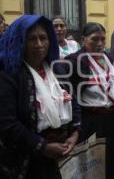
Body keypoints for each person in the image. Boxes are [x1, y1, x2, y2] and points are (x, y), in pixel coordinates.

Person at [0, 15, 81, 179]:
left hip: (61, 153)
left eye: (43, 38)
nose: (39, 45)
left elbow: (73, 101)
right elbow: (7, 123)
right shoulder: (10, 76)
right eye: (31, 39)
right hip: (28, 160)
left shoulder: (57, 70)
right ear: (20, 41)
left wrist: (74, 134)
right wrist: (43, 146)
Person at [65, 22, 114, 179]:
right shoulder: (75, 61)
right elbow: (72, 96)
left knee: (111, 160)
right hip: (90, 121)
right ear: (83, 40)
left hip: (110, 120)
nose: (100, 44)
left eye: (103, 39)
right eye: (94, 39)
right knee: (92, 163)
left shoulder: (108, 57)